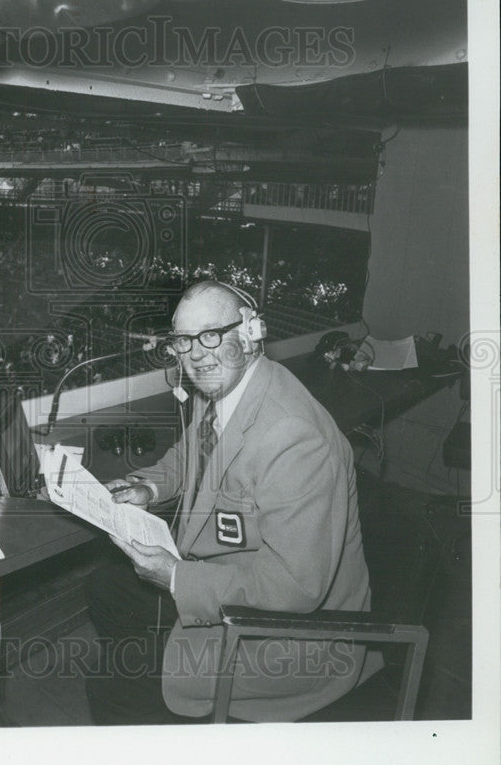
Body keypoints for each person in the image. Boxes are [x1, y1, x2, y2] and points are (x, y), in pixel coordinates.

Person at [85, 280, 381, 724]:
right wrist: (150, 488)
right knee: (105, 588)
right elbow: (189, 453)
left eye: (211, 334)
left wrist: (176, 578)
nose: (196, 353)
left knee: (119, 686)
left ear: (250, 332)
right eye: (183, 340)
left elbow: (296, 587)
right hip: (229, 586)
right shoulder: (230, 388)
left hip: (289, 639)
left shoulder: (295, 437)